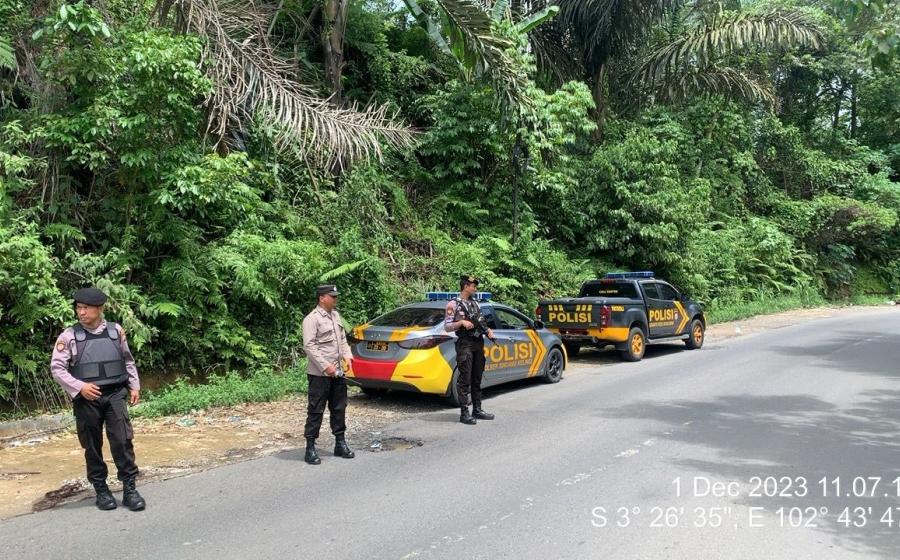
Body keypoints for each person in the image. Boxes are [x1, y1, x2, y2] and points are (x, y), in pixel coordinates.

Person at [49, 288, 146, 511]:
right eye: (78, 308)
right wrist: (80, 387)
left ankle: (130, 489)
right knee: (92, 445)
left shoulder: (115, 331)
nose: (80, 312)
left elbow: (127, 360)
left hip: (114, 394)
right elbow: (57, 368)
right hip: (86, 399)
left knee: (122, 441)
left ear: (99, 309)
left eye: (85, 308)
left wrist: (134, 385)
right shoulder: (69, 336)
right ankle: (101, 490)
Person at [301, 284, 355, 465]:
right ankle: (310, 448)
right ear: (322, 298)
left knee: (339, 408)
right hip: (319, 374)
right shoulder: (312, 319)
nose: (335, 299)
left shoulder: (336, 316)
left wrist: (347, 356)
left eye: (336, 296)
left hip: (338, 372)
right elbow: (309, 346)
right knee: (316, 410)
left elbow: (342, 340)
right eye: (332, 296)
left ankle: (340, 443)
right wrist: (325, 367)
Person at [444, 275, 497, 425]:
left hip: (478, 342)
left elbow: (481, 322)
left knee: (477, 377)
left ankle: (477, 409)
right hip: (465, 343)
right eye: (473, 286)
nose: (475, 288)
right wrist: (460, 322)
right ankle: (464, 413)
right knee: (464, 379)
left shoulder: (475, 303)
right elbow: (447, 327)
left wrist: (488, 331)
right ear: (466, 286)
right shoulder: (453, 304)